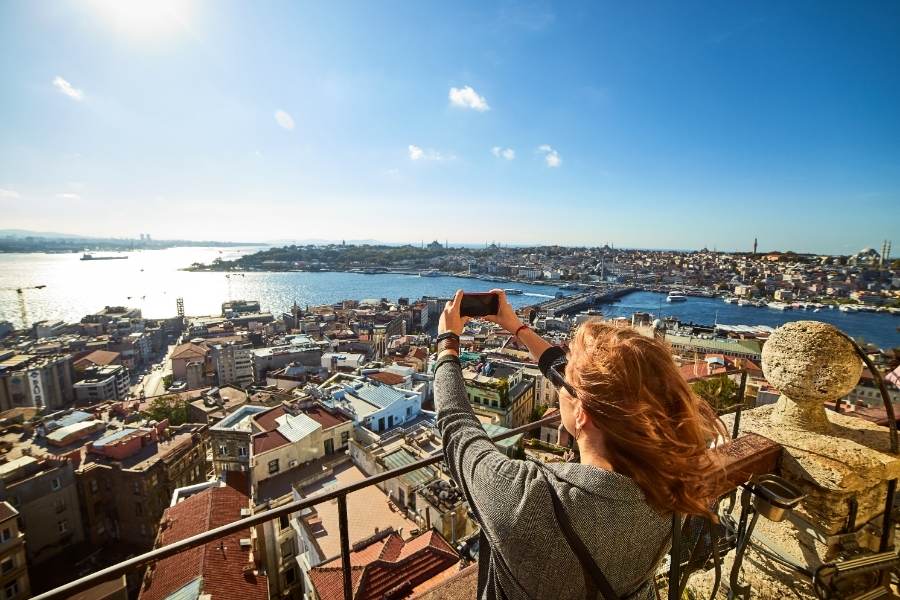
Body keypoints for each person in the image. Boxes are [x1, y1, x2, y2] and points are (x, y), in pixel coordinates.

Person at [433, 289, 725, 599]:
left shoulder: (528, 499)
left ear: (583, 414)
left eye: (568, 379)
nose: (562, 381)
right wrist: (518, 328)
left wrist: (447, 343)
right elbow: (597, 388)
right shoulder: (671, 485)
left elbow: (457, 426)